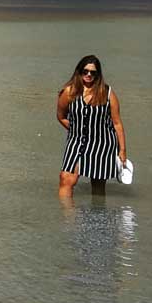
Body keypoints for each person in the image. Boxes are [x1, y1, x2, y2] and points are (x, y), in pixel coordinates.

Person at [56, 54, 125, 197]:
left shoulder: (107, 93)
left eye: (93, 72)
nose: (88, 75)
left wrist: (122, 150)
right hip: (76, 141)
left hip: (102, 143)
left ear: (98, 74)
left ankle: (97, 218)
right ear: (79, 71)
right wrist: (77, 130)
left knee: (98, 186)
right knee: (66, 178)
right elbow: (61, 116)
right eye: (85, 71)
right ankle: (67, 218)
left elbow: (117, 123)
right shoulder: (69, 92)